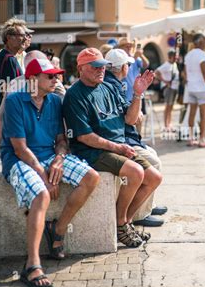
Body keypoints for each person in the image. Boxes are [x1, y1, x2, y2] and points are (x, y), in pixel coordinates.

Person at [0, 58, 100, 287]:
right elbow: (19, 148)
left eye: (57, 76)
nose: (56, 80)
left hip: (48, 155)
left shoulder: (55, 101)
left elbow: (61, 141)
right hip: (18, 160)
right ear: (33, 79)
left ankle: (58, 229)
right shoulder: (15, 101)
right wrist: (44, 176)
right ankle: (32, 265)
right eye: (51, 76)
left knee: (91, 177)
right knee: (41, 195)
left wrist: (58, 159)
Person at [62, 48, 162, 248]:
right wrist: (117, 147)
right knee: (135, 172)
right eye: (95, 66)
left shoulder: (107, 87)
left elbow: (130, 119)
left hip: (118, 147)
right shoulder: (74, 95)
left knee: (154, 178)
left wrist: (137, 94)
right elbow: (84, 136)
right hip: (93, 151)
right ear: (80, 68)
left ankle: (124, 223)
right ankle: (121, 223)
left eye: (103, 66)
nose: (101, 70)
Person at [105, 48, 168, 227]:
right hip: (121, 141)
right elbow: (131, 119)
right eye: (128, 65)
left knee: (153, 156)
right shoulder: (113, 85)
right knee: (154, 162)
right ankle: (140, 214)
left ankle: (147, 205)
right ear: (123, 67)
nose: (129, 68)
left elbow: (130, 116)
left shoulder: (115, 84)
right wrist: (138, 97)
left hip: (123, 139)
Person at [184, 33, 205, 148]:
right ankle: (202, 139)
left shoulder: (188, 55)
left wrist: (189, 82)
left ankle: (191, 138)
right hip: (201, 88)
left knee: (191, 113)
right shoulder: (202, 55)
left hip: (191, 87)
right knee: (203, 114)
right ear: (200, 42)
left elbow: (185, 73)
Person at [155, 50, 180, 131]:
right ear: (171, 57)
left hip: (174, 87)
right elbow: (156, 72)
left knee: (171, 106)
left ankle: (169, 124)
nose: (176, 58)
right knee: (167, 107)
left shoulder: (175, 64)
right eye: (175, 56)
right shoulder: (166, 65)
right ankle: (166, 125)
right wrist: (165, 81)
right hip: (169, 88)